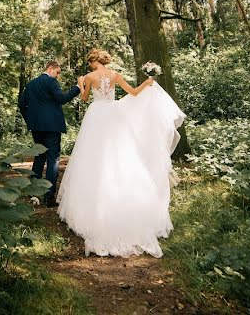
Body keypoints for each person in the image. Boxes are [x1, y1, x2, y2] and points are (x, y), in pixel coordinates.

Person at [56, 48, 186, 258]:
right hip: (113, 114)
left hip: (96, 115)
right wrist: (148, 82)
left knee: (92, 157)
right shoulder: (115, 75)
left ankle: (94, 204)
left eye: (90, 62)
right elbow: (134, 93)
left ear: (93, 61)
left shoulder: (89, 76)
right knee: (120, 154)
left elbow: (85, 98)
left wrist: (81, 84)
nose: (89, 66)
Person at [18, 60, 81, 207]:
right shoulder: (51, 82)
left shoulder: (31, 84)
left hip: (36, 127)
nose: (58, 75)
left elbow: (22, 104)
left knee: (39, 157)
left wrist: (30, 120)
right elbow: (62, 98)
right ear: (51, 69)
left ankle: (33, 192)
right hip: (52, 127)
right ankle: (49, 196)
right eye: (58, 72)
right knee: (53, 159)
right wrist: (77, 87)